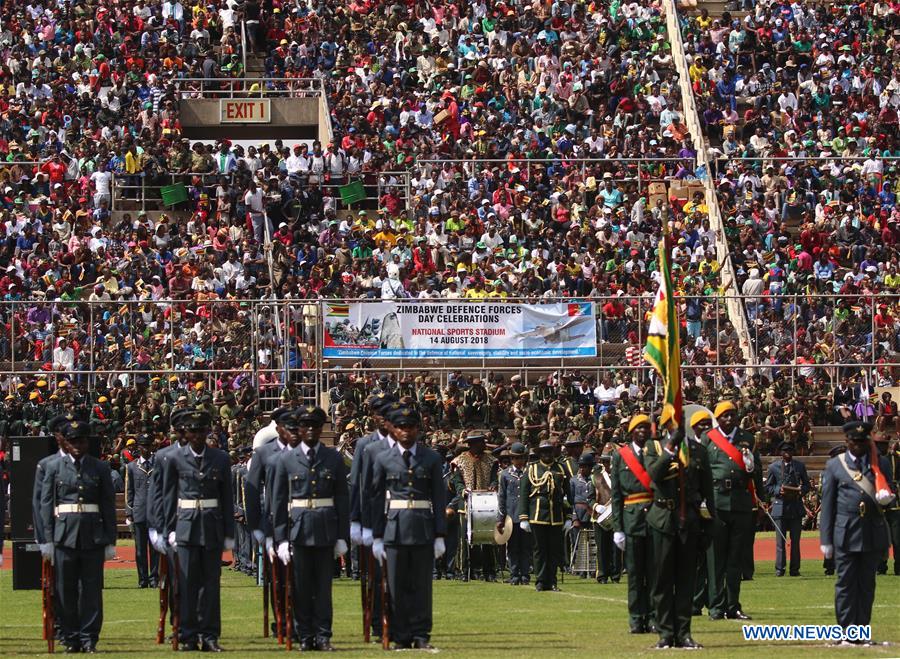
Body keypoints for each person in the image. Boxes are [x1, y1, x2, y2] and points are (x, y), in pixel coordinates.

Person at [272, 406, 349, 652]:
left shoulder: (333, 458)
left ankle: (323, 636)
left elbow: (342, 499)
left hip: (326, 529)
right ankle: (305, 635)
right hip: (299, 530)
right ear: (300, 429)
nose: (311, 431)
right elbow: (278, 501)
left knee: (324, 588)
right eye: (306, 426)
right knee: (301, 587)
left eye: (316, 426)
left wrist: (342, 536)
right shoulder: (286, 459)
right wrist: (281, 539)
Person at [370, 404, 447, 650]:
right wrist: (377, 535)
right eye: (401, 427)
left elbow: (438, 497)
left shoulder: (431, 458)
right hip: (394, 529)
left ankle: (421, 634)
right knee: (396, 585)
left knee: (422, 586)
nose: (406, 431)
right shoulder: (383, 458)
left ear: (418, 429)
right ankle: (401, 635)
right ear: (394, 430)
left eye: (410, 427)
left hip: (423, 528)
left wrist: (440, 534)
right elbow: (376, 498)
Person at [39, 418, 117, 654]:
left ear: (86, 442)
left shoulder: (100, 467)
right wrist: (48, 539)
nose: (76, 445)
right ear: (66, 443)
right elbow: (46, 504)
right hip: (64, 536)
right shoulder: (54, 467)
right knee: (65, 590)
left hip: (92, 536)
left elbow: (108, 506)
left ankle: (89, 638)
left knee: (92, 591)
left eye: (80, 440)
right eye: (72, 441)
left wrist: (110, 540)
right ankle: (71, 638)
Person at [161, 408, 235, 652]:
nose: (197, 435)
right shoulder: (174, 458)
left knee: (211, 584)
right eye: (193, 431)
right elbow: (169, 498)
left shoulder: (221, 458)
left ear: (207, 431)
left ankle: (210, 635)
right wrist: (169, 530)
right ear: (186, 433)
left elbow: (226, 498)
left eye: (202, 430)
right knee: (186, 584)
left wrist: (228, 533)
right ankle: (187, 635)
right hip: (185, 526)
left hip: (212, 526)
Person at [645, 406, 714, 649]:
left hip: (690, 520)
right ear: (666, 426)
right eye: (673, 424)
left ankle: (683, 633)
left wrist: (708, 524)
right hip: (663, 518)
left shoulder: (698, 450)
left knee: (686, 581)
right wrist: (670, 448)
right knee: (662, 581)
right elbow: (653, 474)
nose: (677, 428)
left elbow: (707, 492)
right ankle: (665, 633)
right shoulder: (653, 449)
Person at [820, 421, 895, 642]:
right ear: (847, 442)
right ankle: (845, 632)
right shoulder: (835, 465)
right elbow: (828, 504)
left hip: (872, 532)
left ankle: (861, 631)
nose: (859, 446)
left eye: (863, 442)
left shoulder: (879, 463)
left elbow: (888, 494)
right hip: (845, 533)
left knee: (867, 586)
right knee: (845, 584)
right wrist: (826, 539)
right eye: (855, 442)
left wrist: (887, 499)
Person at [700, 401, 763, 621]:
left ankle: (733, 605)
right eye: (725, 415)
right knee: (716, 559)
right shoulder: (707, 438)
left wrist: (760, 500)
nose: (729, 419)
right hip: (716, 503)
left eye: (732, 415)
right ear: (718, 418)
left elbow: (757, 472)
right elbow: (701, 470)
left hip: (741, 503)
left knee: (736, 558)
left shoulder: (748, 438)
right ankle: (716, 606)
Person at [245, 406, 295, 637]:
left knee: (302, 577)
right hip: (274, 522)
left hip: (301, 520)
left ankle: (301, 622)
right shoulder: (264, 453)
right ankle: (282, 621)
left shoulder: (305, 450)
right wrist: (256, 526)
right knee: (278, 579)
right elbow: (253, 492)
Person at [610, 414, 656, 633]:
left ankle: (655, 617)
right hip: (632, 520)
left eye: (647, 428)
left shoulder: (655, 452)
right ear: (631, 432)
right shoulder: (621, 456)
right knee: (636, 574)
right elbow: (617, 494)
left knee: (655, 573)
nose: (643, 432)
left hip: (655, 517)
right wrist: (618, 528)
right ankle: (637, 619)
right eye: (639, 429)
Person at [518, 439, 572, 592]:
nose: (547, 454)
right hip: (537, 515)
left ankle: (552, 581)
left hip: (556, 516)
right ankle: (541, 581)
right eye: (544, 451)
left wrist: (568, 516)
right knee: (539, 550)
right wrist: (524, 517)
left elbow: (568, 496)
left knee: (554, 550)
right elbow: (524, 494)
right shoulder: (532, 469)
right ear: (540, 453)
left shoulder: (561, 469)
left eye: (549, 451)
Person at [451, 433, 497, 581]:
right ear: (472, 444)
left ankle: (489, 570)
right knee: (465, 538)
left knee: (488, 536)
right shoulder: (460, 460)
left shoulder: (491, 460)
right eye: (480, 442)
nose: (484, 445)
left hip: (486, 503)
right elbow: (456, 481)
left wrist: (493, 485)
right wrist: (463, 491)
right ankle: (465, 570)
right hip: (466, 505)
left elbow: (495, 478)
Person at [765, 441, 812, 577]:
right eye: (785, 451)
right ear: (780, 453)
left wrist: (800, 491)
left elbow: (807, 485)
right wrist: (778, 490)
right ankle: (780, 569)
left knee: (795, 541)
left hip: (796, 507)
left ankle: (795, 569)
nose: (788, 453)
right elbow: (768, 487)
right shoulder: (773, 467)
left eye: (790, 451)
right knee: (780, 542)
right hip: (780, 506)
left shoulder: (799, 466)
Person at [125, 434, 159, 588]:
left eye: (148, 446)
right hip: (139, 512)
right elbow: (129, 491)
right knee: (140, 550)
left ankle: (154, 578)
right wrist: (129, 512)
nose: (145, 449)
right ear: (138, 447)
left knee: (154, 549)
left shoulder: (159, 465)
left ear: (152, 447)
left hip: (155, 513)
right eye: (143, 446)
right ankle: (142, 579)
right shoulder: (131, 467)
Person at [497, 442, 531, 585]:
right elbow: (502, 496)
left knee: (525, 546)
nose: (519, 461)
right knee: (512, 547)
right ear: (512, 459)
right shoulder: (505, 474)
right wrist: (501, 517)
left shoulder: (529, 473)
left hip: (525, 515)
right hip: (511, 515)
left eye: (522, 458)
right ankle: (514, 574)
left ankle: (525, 574)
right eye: (516, 458)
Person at [591, 449, 620, 584]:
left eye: (608, 461)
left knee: (616, 548)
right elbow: (590, 497)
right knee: (602, 548)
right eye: (604, 461)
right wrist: (596, 506)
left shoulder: (619, 474)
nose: (607, 464)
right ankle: (602, 575)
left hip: (616, 514)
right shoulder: (596, 476)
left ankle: (615, 574)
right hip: (601, 516)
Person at [569, 452, 596, 577]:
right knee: (578, 542)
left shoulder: (595, 479)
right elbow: (571, 500)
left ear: (591, 467)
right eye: (581, 466)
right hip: (579, 513)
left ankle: (592, 569)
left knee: (592, 543)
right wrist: (574, 517)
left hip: (592, 513)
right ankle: (579, 568)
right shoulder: (573, 480)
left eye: (585, 466)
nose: (582, 468)